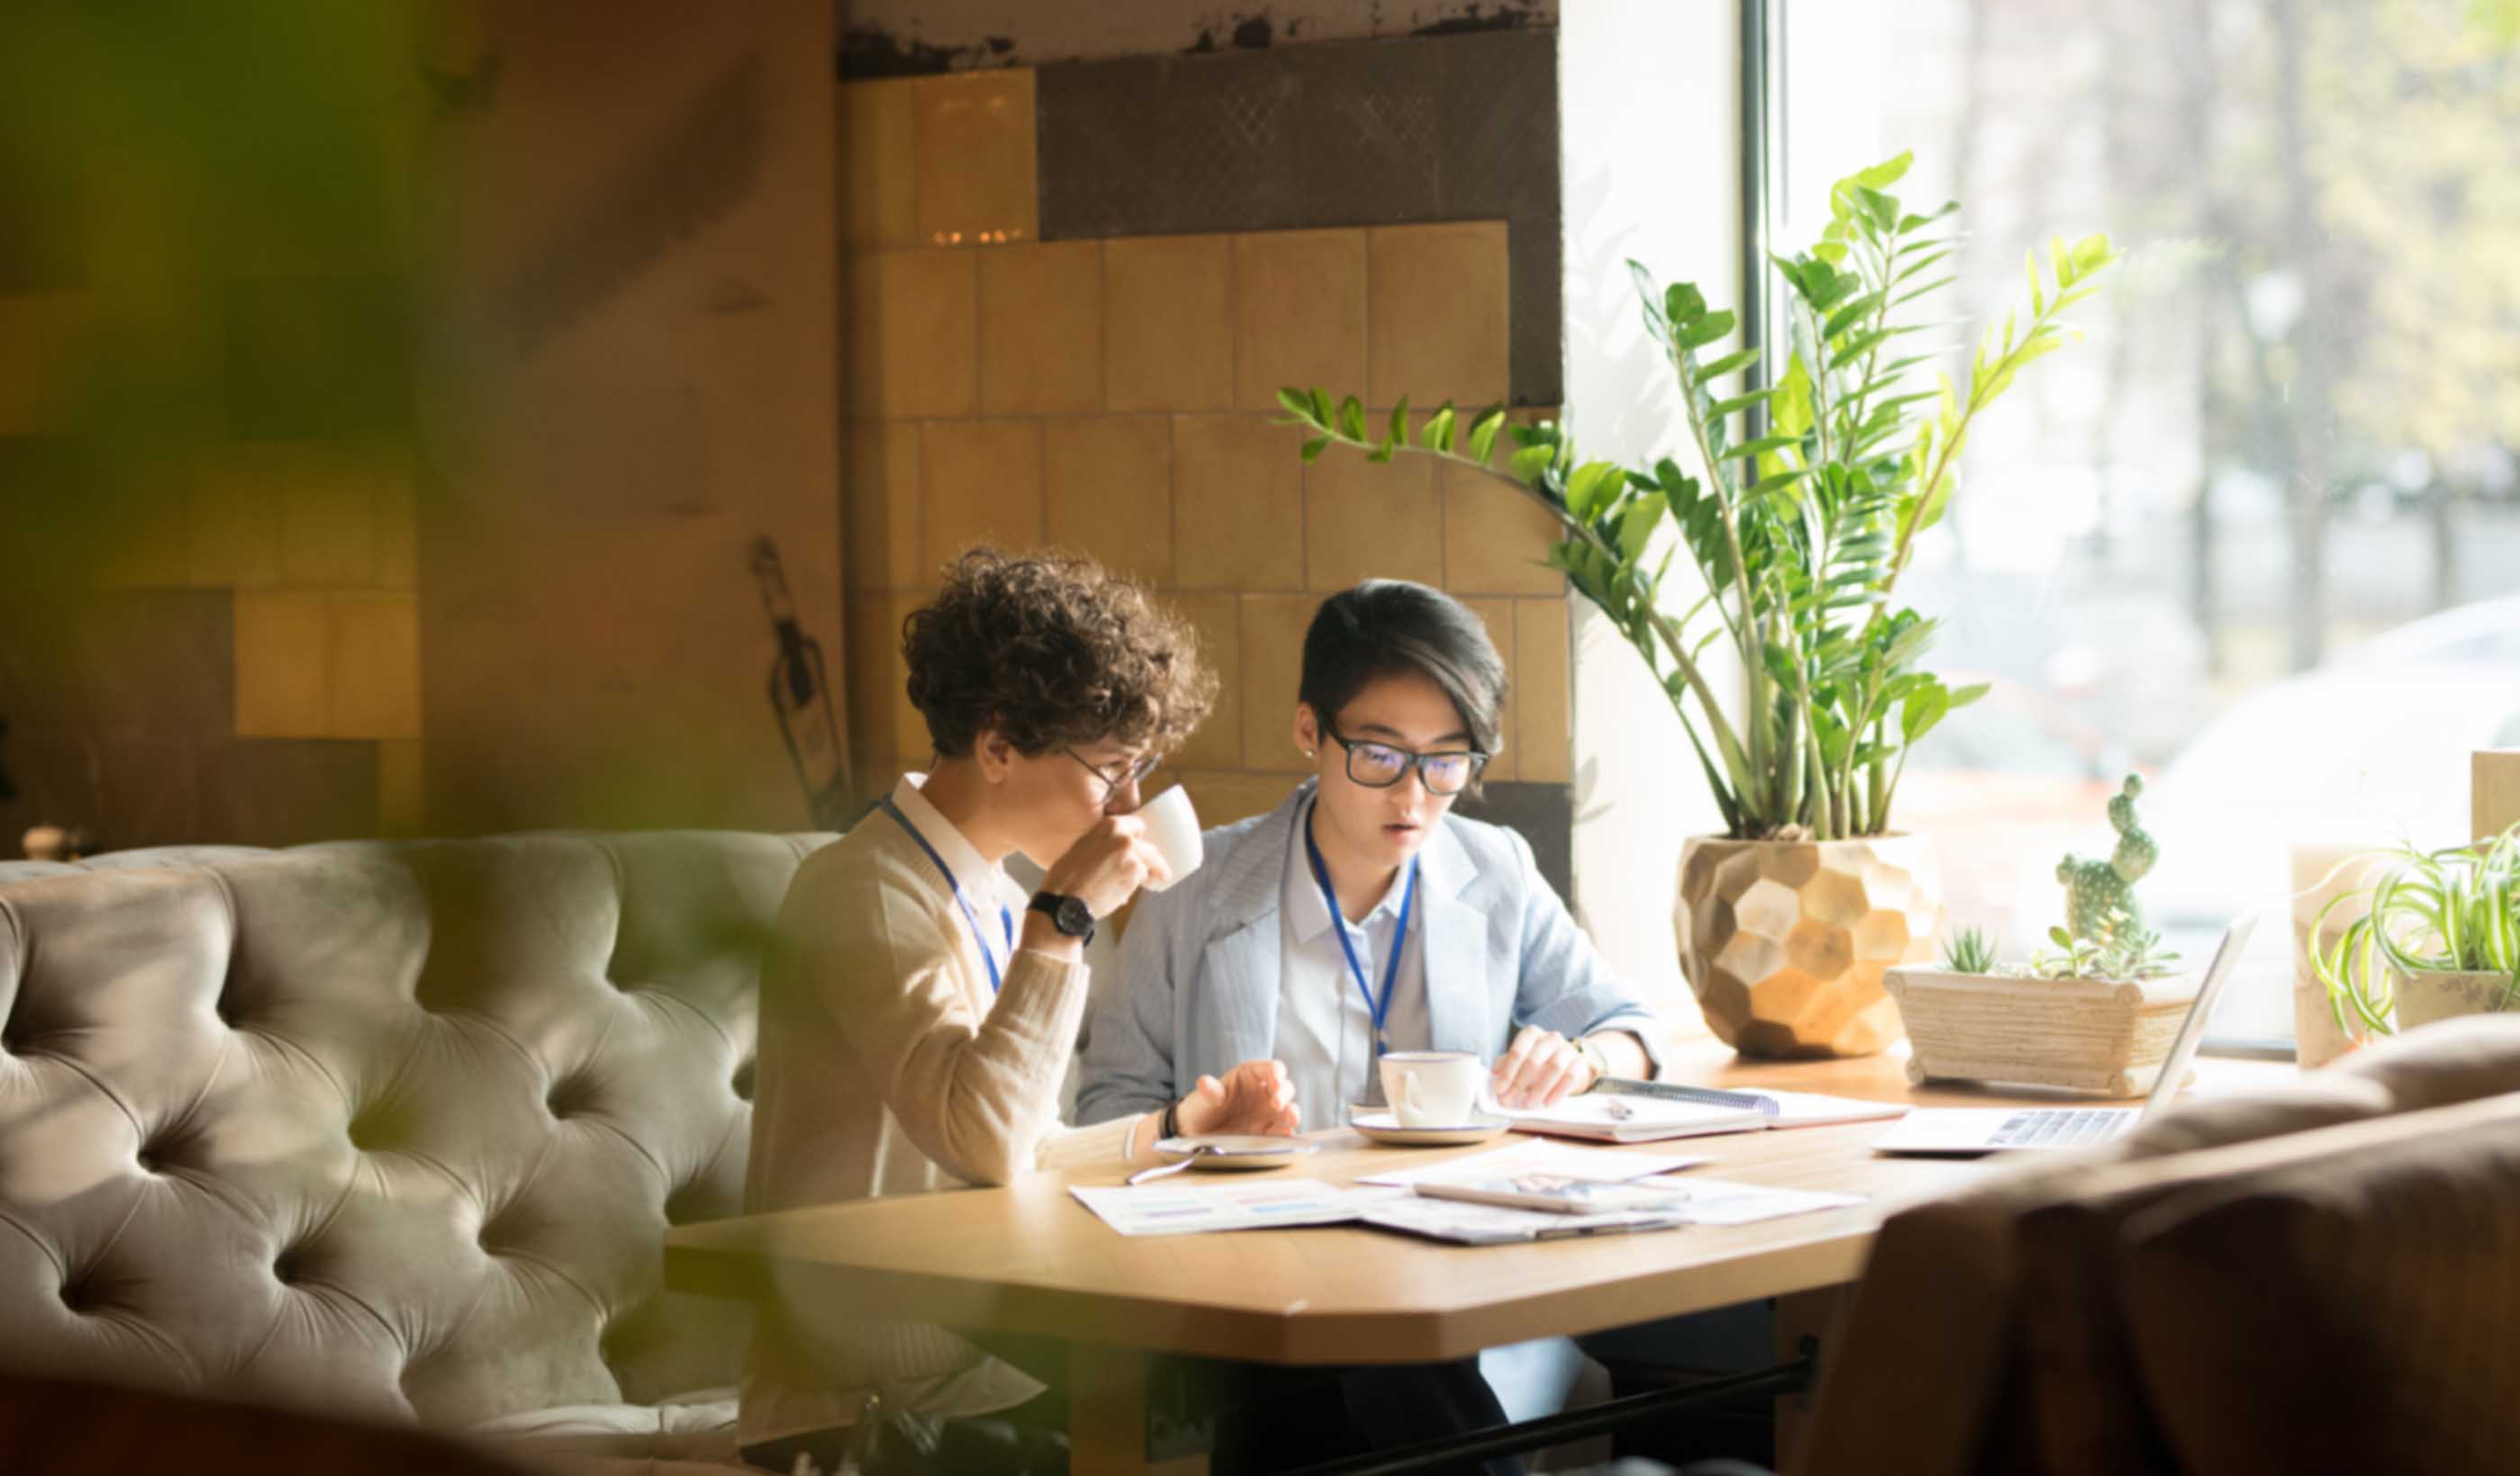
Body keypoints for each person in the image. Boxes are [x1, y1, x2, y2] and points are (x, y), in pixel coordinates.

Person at [1076, 578, 1669, 1474]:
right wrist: (1194, 1130)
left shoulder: (1494, 868)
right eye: (1381, 754)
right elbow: (1106, 1105)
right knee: (1347, 1377)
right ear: (1310, 731)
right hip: (1253, 1270)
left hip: (1448, 1262)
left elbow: (1629, 1027)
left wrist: (1579, 1054)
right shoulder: (1195, 888)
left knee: (1375, 1375)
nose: (1417, 796)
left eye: (1447, 759)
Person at [739, 548, 1301, 1476]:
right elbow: (982, 1140)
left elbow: (1020, 1149)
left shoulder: (994, 890)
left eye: (1141, 769)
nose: (1128, 804)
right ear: (997, 746)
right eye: (1110, 770)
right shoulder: (867, 891)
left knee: (1285, 1389)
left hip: (968, 1359)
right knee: (1234, 1397)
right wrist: (1064, 921)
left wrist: (1179, 1129)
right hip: (855, 1403)